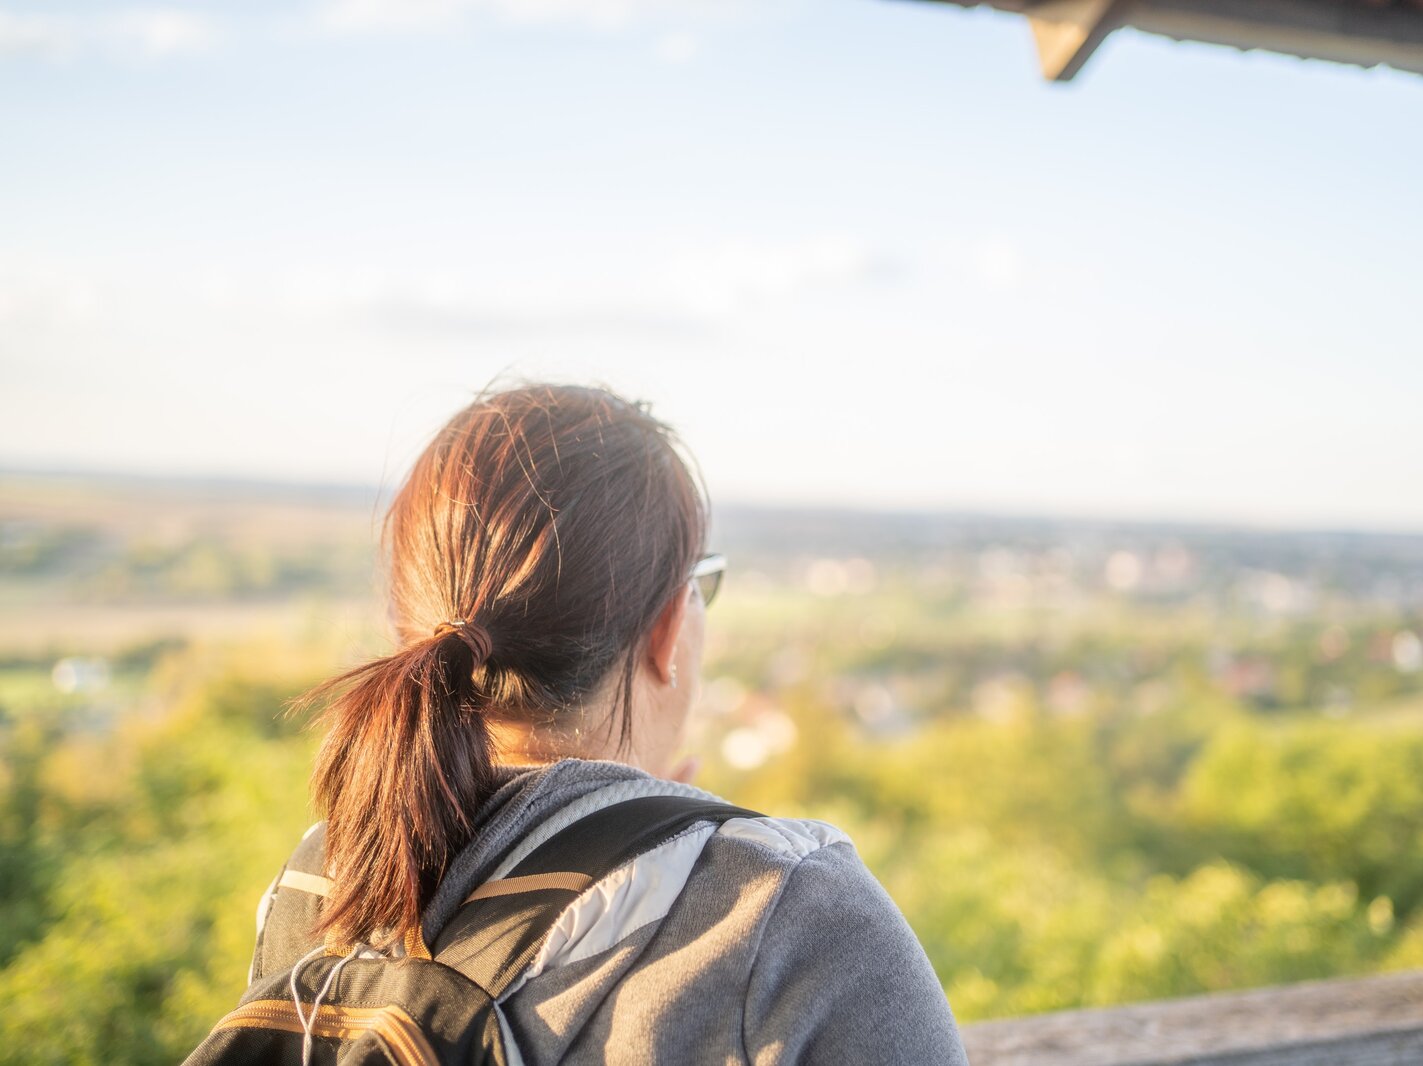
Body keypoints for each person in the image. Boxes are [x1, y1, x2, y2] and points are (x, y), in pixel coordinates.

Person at [254, 384, 968, 1064]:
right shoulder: (787, 916)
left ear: (404, 626)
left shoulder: (325, 882)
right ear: (665, 630)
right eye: (700, 586)